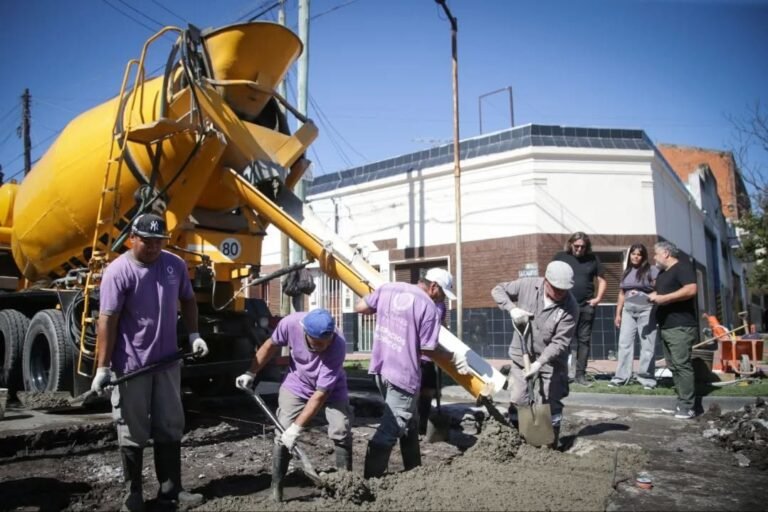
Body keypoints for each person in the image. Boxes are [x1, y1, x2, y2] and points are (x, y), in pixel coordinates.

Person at [90, 213, 209, 512]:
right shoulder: (118, 272)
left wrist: (194, 334)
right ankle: (133, 495)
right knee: (132, 429)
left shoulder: (174, 265)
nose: (154, 247)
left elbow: (189, 299)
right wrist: (103, 367)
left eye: (159, 241)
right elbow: (108, 320)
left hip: (167, 362)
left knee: (170, 425)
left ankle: (171, 490)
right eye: (148, 241)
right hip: (132, 365)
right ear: (132, 238)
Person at [354, 268, 469, 478]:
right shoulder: (429, 308)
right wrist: (453, 358)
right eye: (443, 293)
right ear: (433, 286)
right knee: (391, 428)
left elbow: (360, 307)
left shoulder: (388, 288)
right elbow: (427, 349)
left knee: (410, 422)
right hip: (403, 375)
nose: (442, 298)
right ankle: (371, 485)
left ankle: (413, 473)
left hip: (381, 368)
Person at [234, 308, 352, 502]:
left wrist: (297, 429)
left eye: (326, 342)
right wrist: (251, 372)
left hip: (332, 389)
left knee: (341, 429)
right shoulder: (290, 324)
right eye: (318, 343)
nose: (323, 346)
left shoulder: (337, 345)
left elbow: (320, 395)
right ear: (305, 332)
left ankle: (345, 485)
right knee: (282, 434)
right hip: (297, 384)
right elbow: (270, 345)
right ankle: (276, 490)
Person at [491, 260, 579, 448]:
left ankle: (549, 444)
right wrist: (512, 308)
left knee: (550, 400)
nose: (561, 294)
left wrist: (539, 363)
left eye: (565, 290)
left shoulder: (571, 307)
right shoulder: (528, 285)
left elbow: (560, 342)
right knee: (519, 398)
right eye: (557, 289)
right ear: (546, 281)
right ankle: (518, 439)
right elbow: (498, 290)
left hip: (552, 360)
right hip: (521, 353)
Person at [649, 241, 699, 419]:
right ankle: (681, 404)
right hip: (667, 326)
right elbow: (662, 296)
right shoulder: (663, 274)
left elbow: (691, 289)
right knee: (674, 366)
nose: (654, 257)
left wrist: (665, 298)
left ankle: (688, 407)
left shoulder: (682, 267)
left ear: (666, 253)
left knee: (682, 365)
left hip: (681, 325)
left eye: (656, 253)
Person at [553, 232, 607, 386]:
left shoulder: (593, 259)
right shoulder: (560, 257)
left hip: (586, 306)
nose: (579, 249)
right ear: (570, 244)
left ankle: (580, 376)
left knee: (584, 341)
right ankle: (562, 374)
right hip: (565, 306)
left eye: (583, 246)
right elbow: (550, 278)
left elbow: (602, 280)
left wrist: (598, 299)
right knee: (563, 340)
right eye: (576, 246)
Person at [611, 244, 659, 389]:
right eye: (633, 254)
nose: (635, 257)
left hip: (647, 310)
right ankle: (621, 377)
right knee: (624, 343)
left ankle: (647, 379)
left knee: (647, 345)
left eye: (639, 254)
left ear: (643, 256)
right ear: (629, 255)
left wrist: (646, 296)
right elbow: (621, 294)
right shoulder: (626, 271)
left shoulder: (652, 270)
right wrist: (618, 313)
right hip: (628, 310)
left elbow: (658, 290)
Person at [418, 300, 446, 437]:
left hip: (430, 357)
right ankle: (413, 426)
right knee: (414, 391)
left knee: (428, 391)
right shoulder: (420, 302)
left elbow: (442, 325)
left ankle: (423, 424)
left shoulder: (441, 305)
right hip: (417, 356)